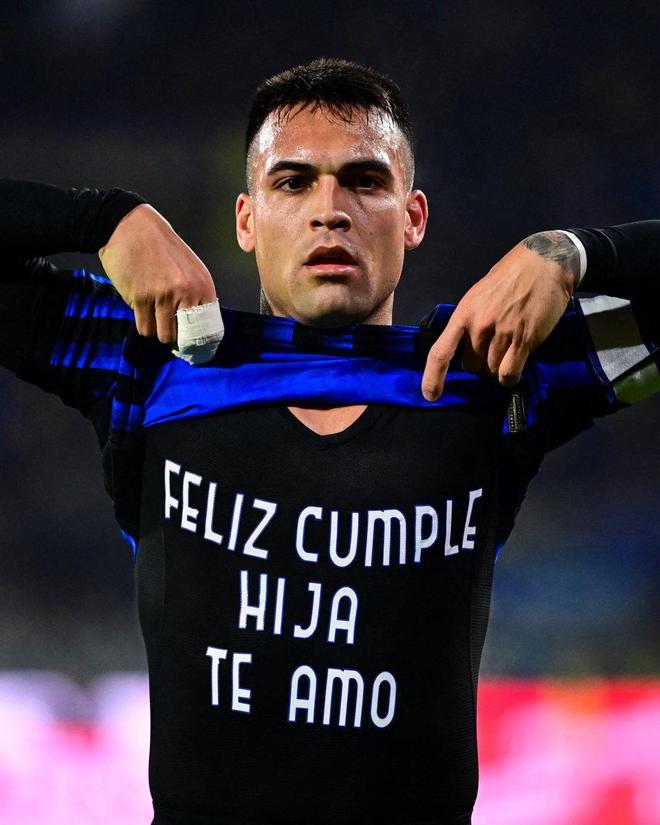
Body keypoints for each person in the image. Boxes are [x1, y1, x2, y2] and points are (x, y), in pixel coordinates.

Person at [1, 57, 659, 825]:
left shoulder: (493, 369)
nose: (330, 211)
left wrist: (575, 254)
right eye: (292, 182)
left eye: (364, 181)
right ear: (246, 220)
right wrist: (104, 219)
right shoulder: (152, 361)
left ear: (413, 218)